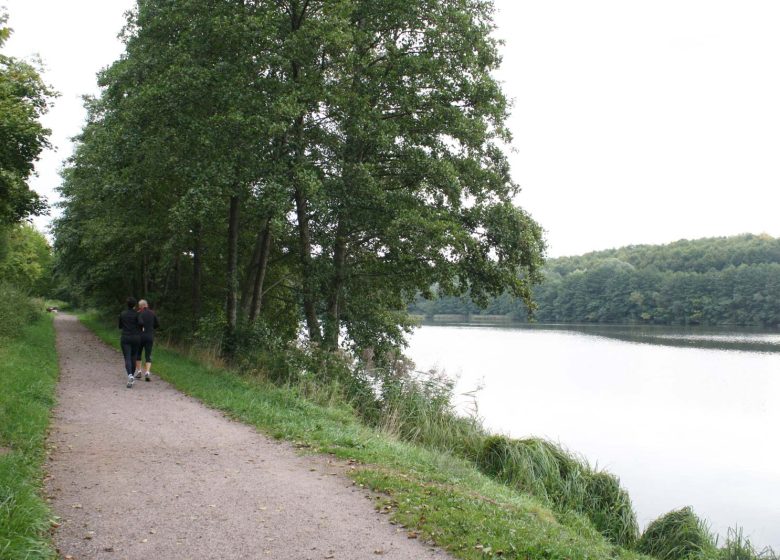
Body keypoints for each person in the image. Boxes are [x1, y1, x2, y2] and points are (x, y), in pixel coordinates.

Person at [118, 296, 142, 388]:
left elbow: (120, 326)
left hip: (126, 337)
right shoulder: (137, 314)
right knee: (134, 357)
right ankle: (131, 377)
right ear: (135, 305)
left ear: (127, 304)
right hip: (136, 338)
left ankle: (130, 376)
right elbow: (141, 323)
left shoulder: (122, 314)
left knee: (127, 357)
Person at [134, 299, 159, 382]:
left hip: (140, 336)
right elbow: (157, 324)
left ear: (140, 306)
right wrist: (151, 328)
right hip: (149, 336)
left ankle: (139, 372)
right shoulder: (152, 313)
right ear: (147, 305)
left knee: (138, 354)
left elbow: (137, 324)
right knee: (148, 355)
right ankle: (147, 372)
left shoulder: (138, 313)